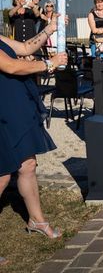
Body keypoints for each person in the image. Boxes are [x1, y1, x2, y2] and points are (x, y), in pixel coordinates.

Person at [1, 15, 68, 240]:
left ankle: (36, 221)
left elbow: (25, 47)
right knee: (2, 174)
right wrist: (49, 63)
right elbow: (11, 66)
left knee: (27, 165)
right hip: (3, 111)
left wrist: (50, 28)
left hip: (17, 107)